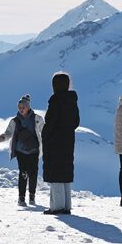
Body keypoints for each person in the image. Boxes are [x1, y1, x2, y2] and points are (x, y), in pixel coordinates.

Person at [42, 72, 80, 215]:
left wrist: (45, 135)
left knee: (56, 174)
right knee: (65, 173)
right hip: (68, 141)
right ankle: (66, 205)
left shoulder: (56, 100)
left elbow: (50, 122)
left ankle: (57, 207)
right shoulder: (72, 100)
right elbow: (76, 122)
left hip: (55, 142)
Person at [0, 95, 45, 206]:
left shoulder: (37, 119)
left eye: (23, 106)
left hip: (34, 150)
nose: (21, 109)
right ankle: (21, 198)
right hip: (20, 151)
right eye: (19, 107)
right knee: (23, 172)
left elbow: (44, 131)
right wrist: (4, 137)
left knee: (33, 173)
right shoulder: (14, 121)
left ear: (28, 107)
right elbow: (9, 133)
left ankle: (32, 196)